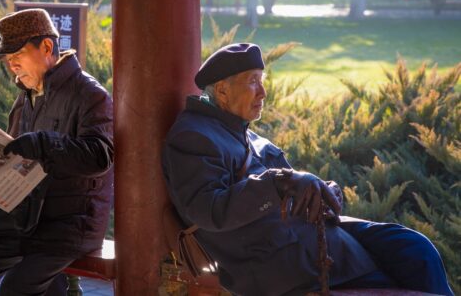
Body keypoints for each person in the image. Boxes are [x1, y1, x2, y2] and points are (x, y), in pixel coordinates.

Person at [161, 43, 454, 296]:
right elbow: (208, 210)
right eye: (252, 81)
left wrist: (318, 191)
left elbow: (288, 186)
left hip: (315, 238)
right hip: (279, 257)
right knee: (391, 284)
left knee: (416, 249)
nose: (263, 92)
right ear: (222, 91)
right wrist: (278, 182)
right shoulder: (195, 137)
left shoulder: (243, 133)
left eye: (262, 80)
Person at [0, 8, 114, 296]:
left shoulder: (90, 93)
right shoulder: (24, 99)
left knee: (17, 288)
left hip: (69, 225)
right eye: (8, 60)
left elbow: (100, 156)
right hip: (23, 222)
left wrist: (44, 144)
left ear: (47, 47)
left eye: (17, 56)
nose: (11, 66)